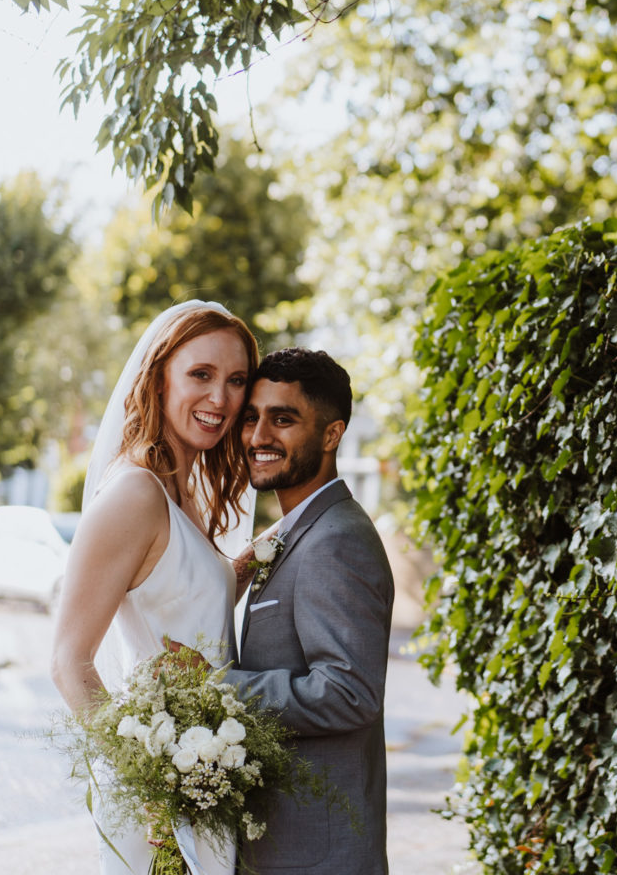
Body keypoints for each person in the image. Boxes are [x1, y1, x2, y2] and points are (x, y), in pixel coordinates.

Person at [50, 300, 258, 875]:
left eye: (236, 380)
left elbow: (181, 604)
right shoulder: (135, 495)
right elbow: (69, 663)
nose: (221, 399)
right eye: (201, 375)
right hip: (161, 805)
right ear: (158, 376)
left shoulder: (182, 494)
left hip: (203, 778)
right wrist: (150, 790)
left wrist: (255, 562)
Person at [222, 348, 395, 875]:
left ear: (332, 434)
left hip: (318, 858)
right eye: (251, 418)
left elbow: (349, 692)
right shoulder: (299, 531)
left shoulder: (336, 540)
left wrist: (218, 690)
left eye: (283, 419)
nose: (258, 436)